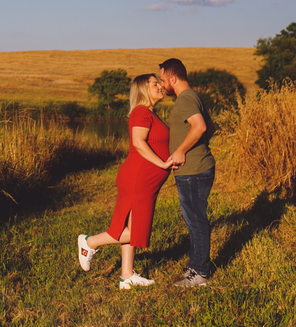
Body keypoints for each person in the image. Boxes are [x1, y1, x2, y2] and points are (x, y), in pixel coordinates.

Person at [77, 74, 174, 290]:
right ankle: (89, 242)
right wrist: (163, 163)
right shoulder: (141, 112)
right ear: (142, 89)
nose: (160, 86)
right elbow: (139, 143)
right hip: (138, 178)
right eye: (154, 83)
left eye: (159, 82)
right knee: (137, 231)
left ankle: (127, 275)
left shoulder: (150, 113)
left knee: (132, 227)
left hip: (144, 179)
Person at [158, 57, 215, 289]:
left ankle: (200, 273)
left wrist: (181, 150)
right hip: (196, 168)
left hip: (193, 170)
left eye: (163, 80)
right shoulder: (194, 96)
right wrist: (198, 146)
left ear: (173, 78)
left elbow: (200, 127)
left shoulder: (185, 99)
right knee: (193, 220)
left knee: (196, 221)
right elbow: (210, 127)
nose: (162, 85)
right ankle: (196, 265)